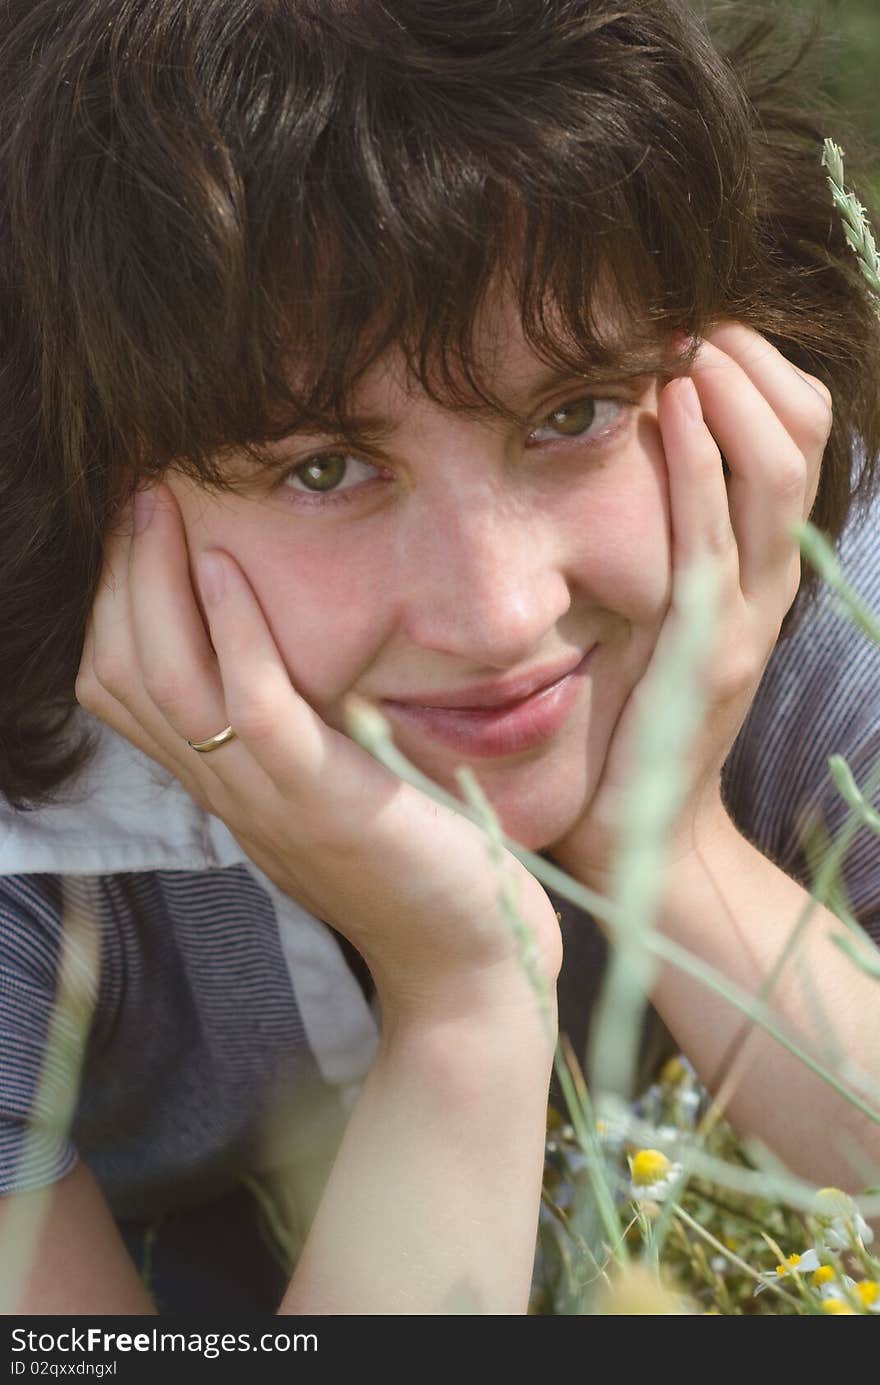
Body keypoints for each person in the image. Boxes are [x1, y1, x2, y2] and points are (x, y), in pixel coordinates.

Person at [1, 0, 879, 1316]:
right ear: (83, 481)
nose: (502, 614)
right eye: (323, 466)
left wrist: (674, 845)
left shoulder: (776, 559)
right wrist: (469, 999)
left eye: (574, 411)